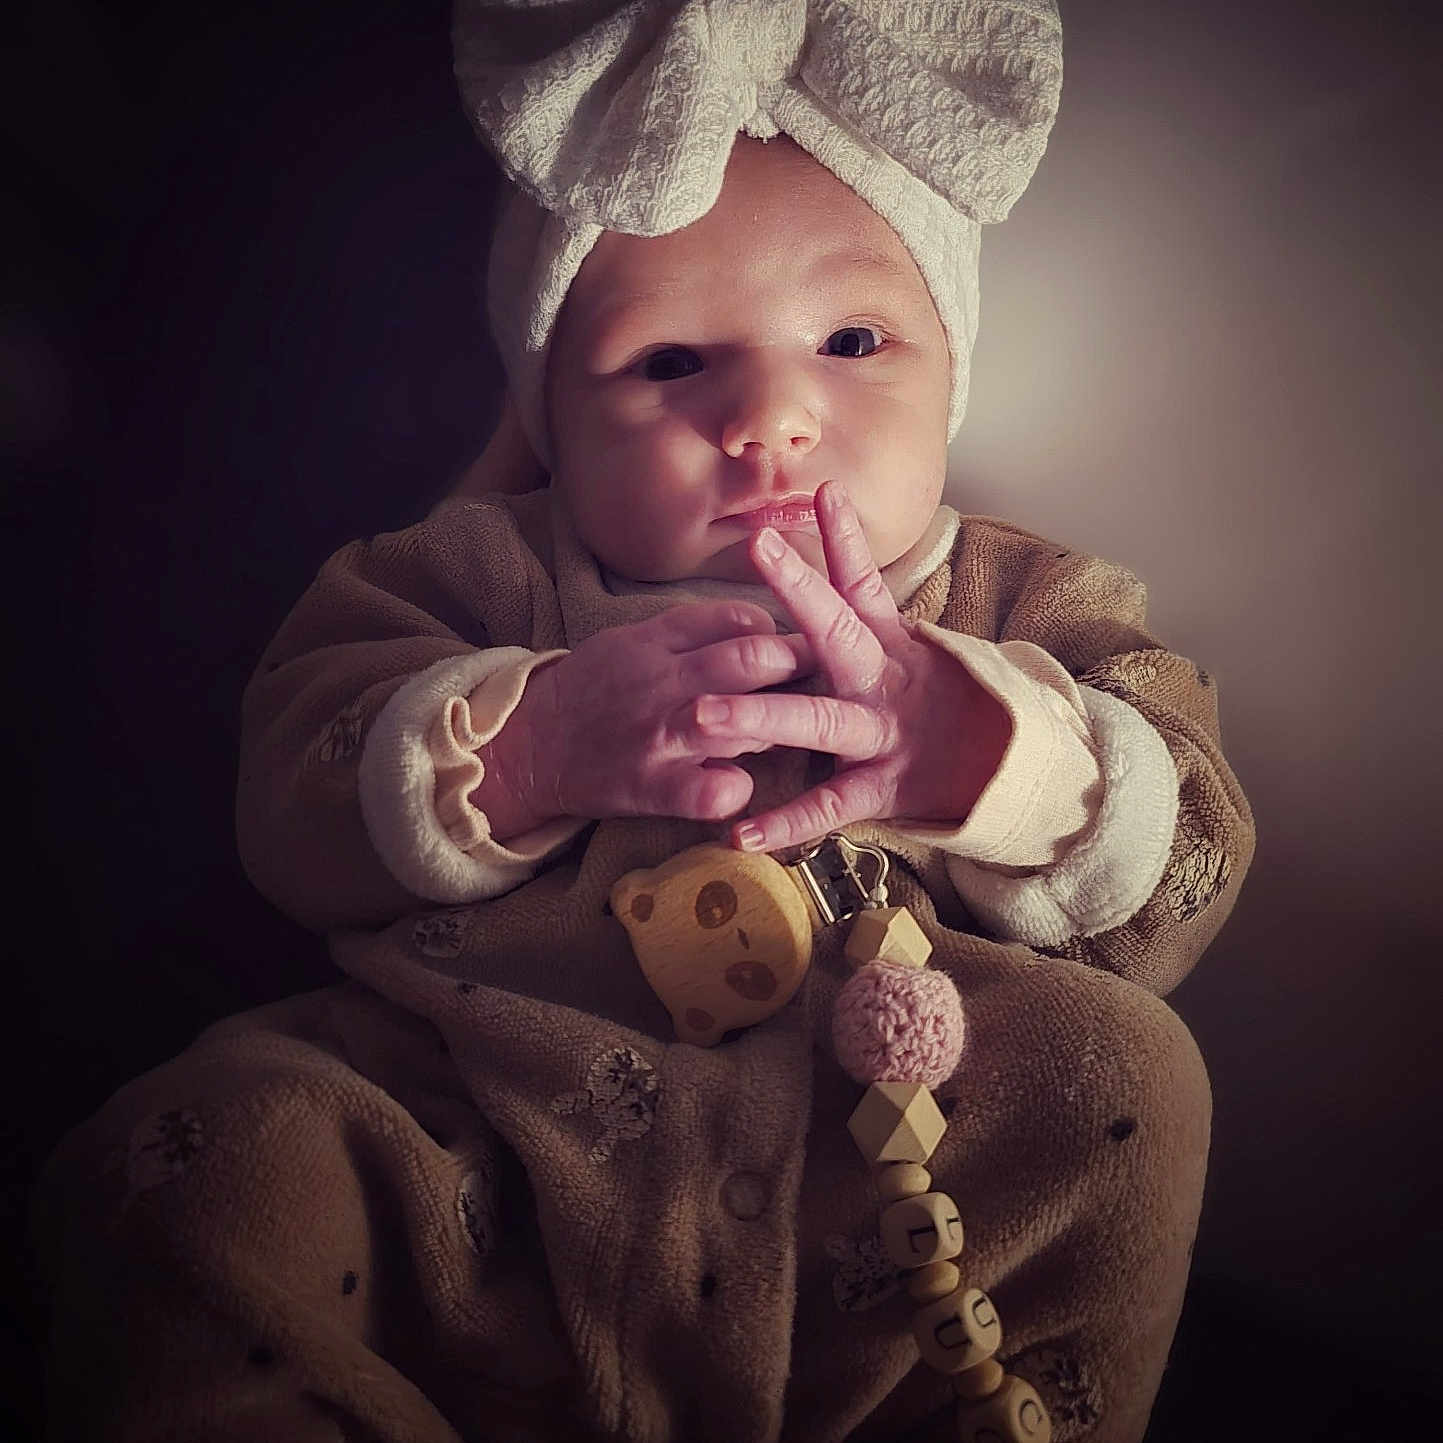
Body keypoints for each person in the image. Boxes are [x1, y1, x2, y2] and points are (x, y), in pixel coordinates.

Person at [35, 4, 1254, 1441]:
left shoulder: (1022, 596)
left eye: (855, 338)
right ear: (553, 413)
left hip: (875, 1214)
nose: (772, 417)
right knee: (208, 1152)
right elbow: (290, 806)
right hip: (475, 1158)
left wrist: (992, 755)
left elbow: (1183, 882)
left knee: (1132, 1083)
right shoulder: (466, 572)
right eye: (673, 363)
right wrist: (535, 742)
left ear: (949, 367)